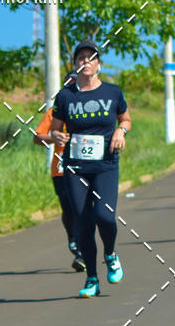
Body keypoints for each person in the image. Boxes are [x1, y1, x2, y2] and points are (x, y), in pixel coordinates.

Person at [49, 40, 131, 297]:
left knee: (105, 216)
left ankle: (110, 253)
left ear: (98, 64)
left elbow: (126, 119)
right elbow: (53, 128)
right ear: (75, 65)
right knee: (83, 222)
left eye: (90, 57)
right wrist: (57, 137)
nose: (85, 61)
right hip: (75, 168)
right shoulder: (65, 96)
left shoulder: (113, 92)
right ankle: (92, 279)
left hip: (105, 165)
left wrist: (121, 130)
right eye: (80, 57)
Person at [34, 71, 84, 272]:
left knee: (84, 208)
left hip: (85, 167)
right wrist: (54, 138)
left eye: (76, 84)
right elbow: (37, 137)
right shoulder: (53, 112)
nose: (72, 88)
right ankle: (73, 239)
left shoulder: (88, 109)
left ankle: (83, 250)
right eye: (68, 84)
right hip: (61, 170)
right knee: (69, 208)